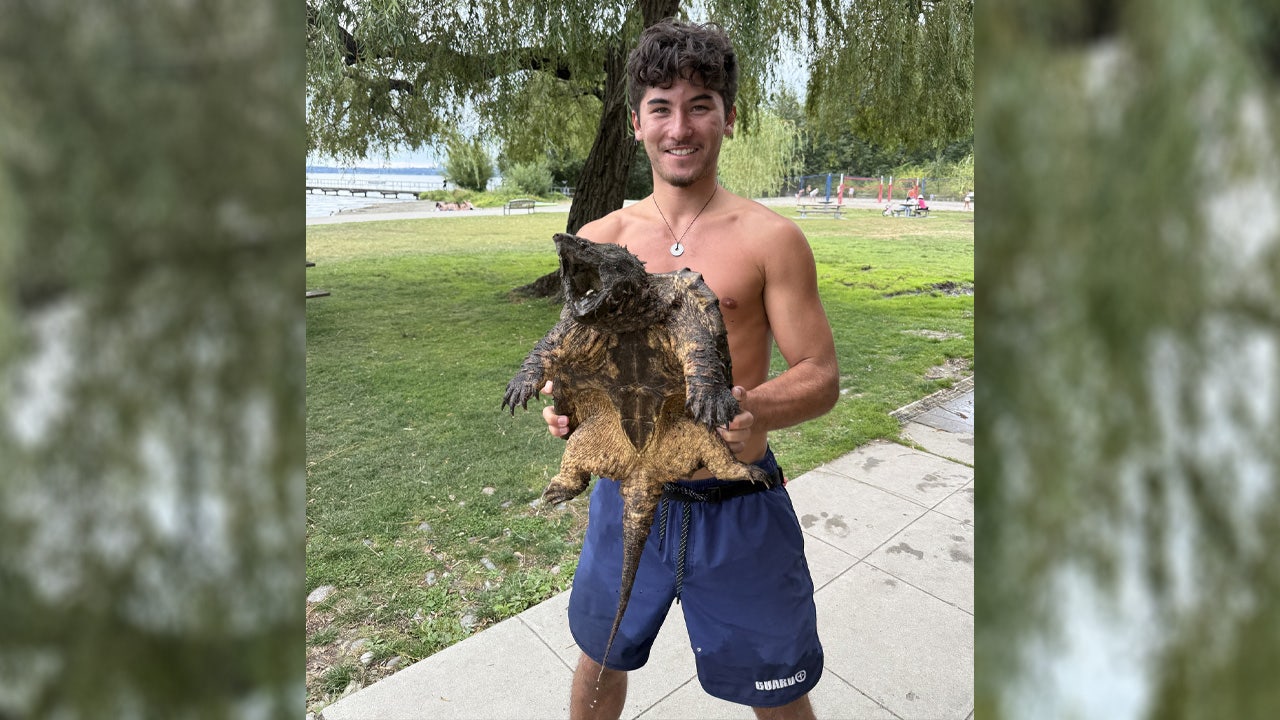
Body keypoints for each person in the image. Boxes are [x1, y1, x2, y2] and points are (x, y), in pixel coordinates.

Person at [538, 18, 839, 720]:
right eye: (662, 107)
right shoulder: (598, 240)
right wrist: (568, 406)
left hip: (736, 507)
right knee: (598, 663)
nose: (681, 126)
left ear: (728, 119)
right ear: (636, 122)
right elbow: (579, 362)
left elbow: (821, 373)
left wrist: (758, 410)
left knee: (781, 690)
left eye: (700, 105)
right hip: (623, 500)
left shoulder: (771, 239)